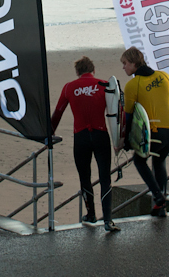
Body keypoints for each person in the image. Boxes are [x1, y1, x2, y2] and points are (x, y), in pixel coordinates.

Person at [51, 56, 120, 232]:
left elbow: (58, 113)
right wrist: (120, 138)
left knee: (85, 177)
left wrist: (48, 134)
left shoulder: (69, 87)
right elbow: (117, 113)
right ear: (93, 70)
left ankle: (91, 214)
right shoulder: (104, 84)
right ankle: (108, 220)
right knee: (105, 177)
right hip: (101, 135)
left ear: (77, 72)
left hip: (80, 137)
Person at [121, 47, 169, 218]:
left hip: (154, 132)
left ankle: (158, 196)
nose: (124, 67)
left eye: (125, 64)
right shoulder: (163, 76)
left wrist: (126, 140)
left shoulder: (133, 85)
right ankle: (160, 207)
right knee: (159, 161)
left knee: (139, 161)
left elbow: (128, 116)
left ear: (134, 63)